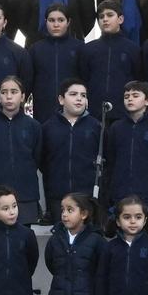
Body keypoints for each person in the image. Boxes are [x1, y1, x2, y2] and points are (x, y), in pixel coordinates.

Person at [40, 79, 101, 217]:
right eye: (73, 94)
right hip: (57, 195)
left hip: (87, 195)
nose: (79, 99)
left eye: (83, 95)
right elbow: (42, 159)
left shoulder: (96, 127)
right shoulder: (48, 127)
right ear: (61, 99)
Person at [106, 81, 148, 216]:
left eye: (135, 95)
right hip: (121, 192)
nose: (130, 99)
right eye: (127, 96)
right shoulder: (116, 128)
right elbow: (111, 161)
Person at [0, 76, 42, 225]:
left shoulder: (33, 126)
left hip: (26, 191)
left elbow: (37, 157)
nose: (9, 96)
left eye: (14, 92)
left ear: (22, 96)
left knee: (23, 237)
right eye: (4, 92)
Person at [80, 2, 140, 120]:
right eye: (101, 17)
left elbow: (138, 78)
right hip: (95, 111)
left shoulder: (133, 48)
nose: (105, 20)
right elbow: (84, 78)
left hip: (124, 112)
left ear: (121, 19)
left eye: (110, 15)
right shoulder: (89, 49)